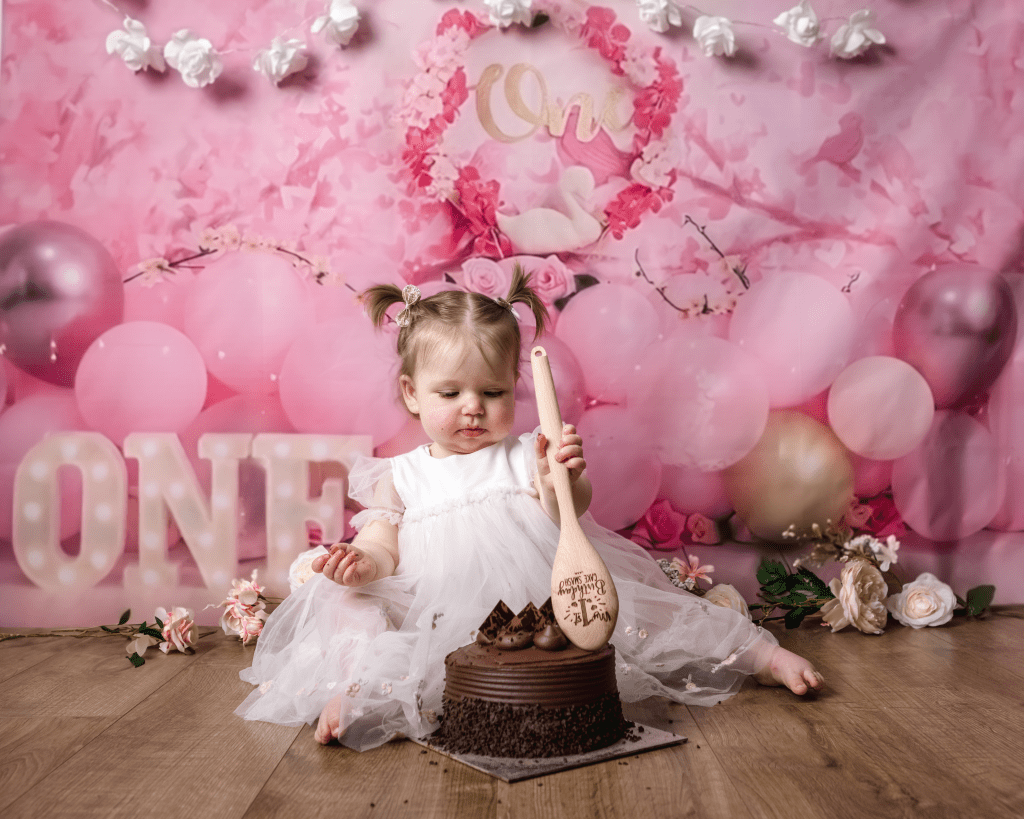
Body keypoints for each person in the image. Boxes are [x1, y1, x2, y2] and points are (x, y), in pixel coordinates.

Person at [236, 269, 823, 749]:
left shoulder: (525, 454)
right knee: (349, 602)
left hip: (537, 603)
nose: (473, 408)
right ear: (412, 393)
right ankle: (357, 689)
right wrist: (364, 563)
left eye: (492, 393)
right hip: (434, 610)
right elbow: (384, 543)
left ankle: (757, 655)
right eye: (450, 394)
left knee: (651, 617)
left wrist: (560, 478)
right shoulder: (404, 474)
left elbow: (570, 517)